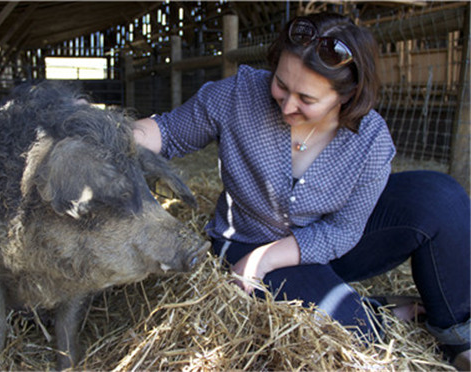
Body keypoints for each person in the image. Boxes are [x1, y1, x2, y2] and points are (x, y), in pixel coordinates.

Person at [133, 12, 470, 369]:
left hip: (332, 244)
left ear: (348, 94)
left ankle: (458, 332)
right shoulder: (237, 95)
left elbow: (344, 230)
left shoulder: (371, 138)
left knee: (441, 197)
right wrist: (98, 129)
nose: (287, 105)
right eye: (281, 84)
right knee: (352, 333)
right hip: (252, 238)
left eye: (306, 98)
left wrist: (265, 263)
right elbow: (167, 132)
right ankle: (374, 313)